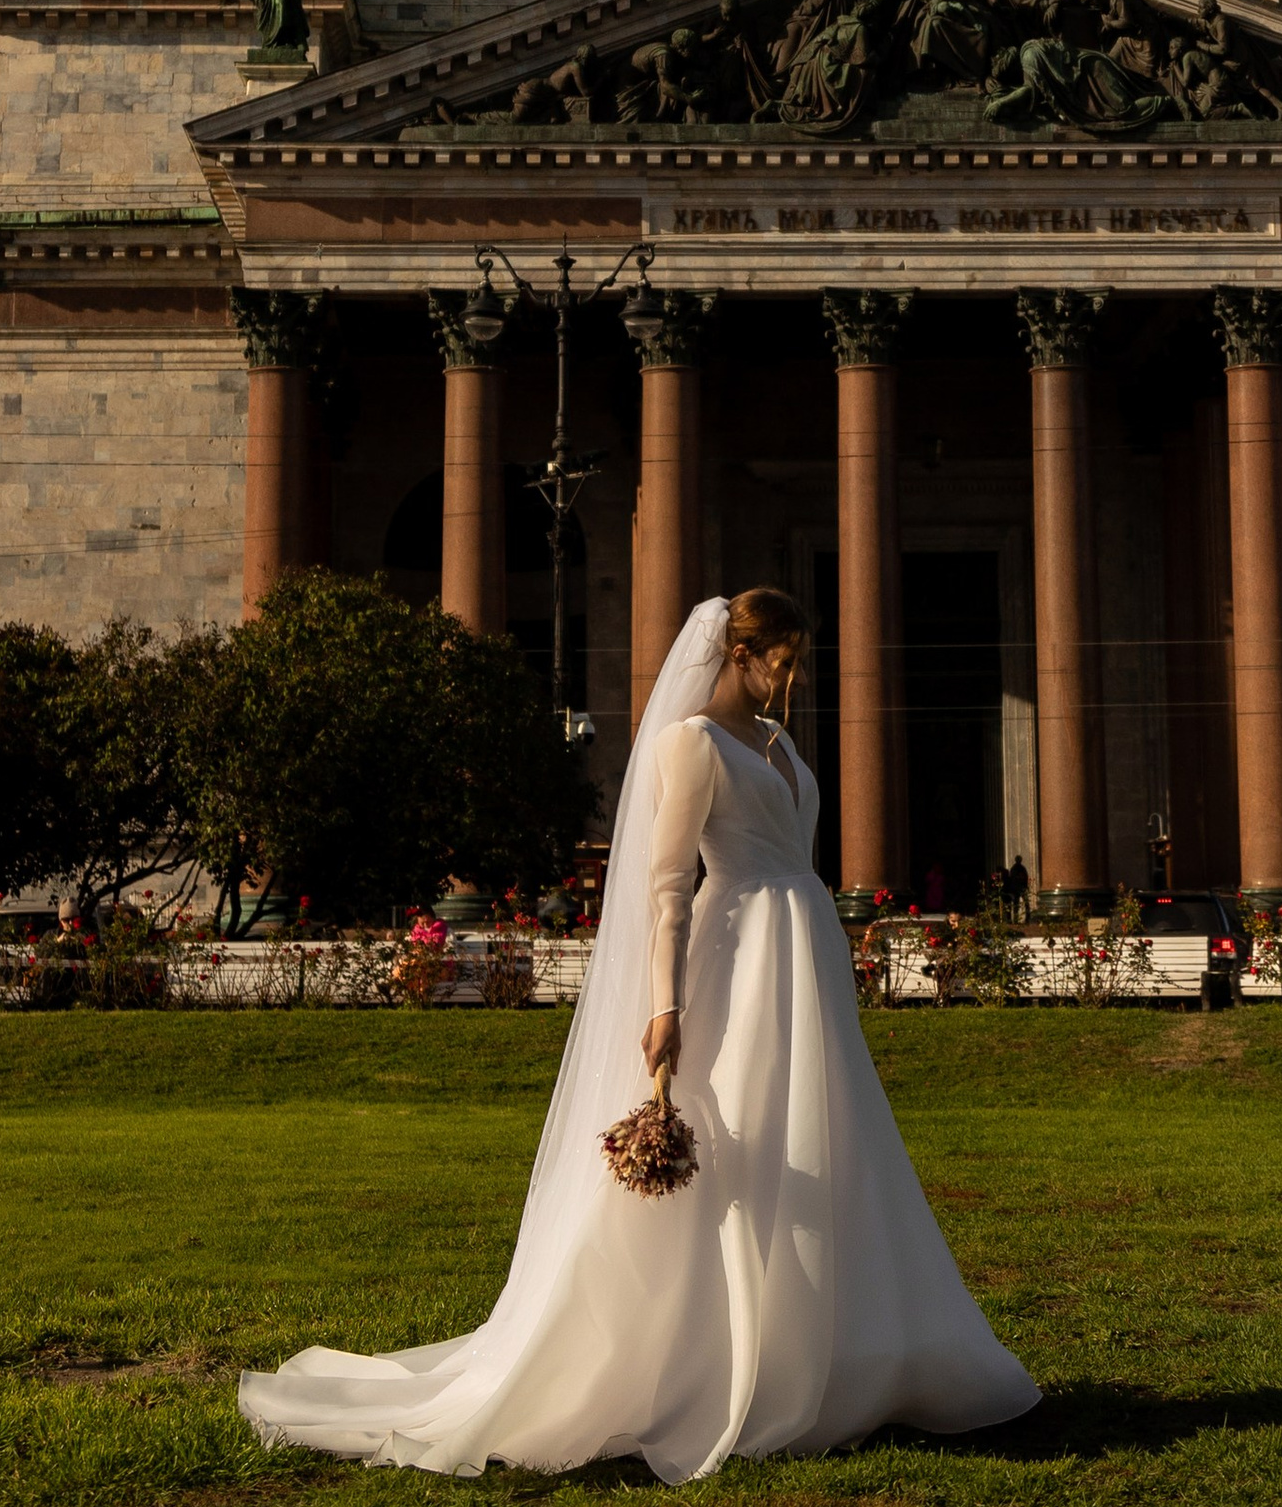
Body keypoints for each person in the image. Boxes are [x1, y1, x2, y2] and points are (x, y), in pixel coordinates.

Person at [239, 590, 1037, 1480]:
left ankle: (839, 1344)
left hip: (801, 954)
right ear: (739, 653)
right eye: (781, 658)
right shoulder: (689, 744)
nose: (792, 676)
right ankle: (712, 1353)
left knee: (824, 1133)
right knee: (744, 1135)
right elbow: (667, 884)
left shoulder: (781, 745)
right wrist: (665, 1004)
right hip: (740, 956)